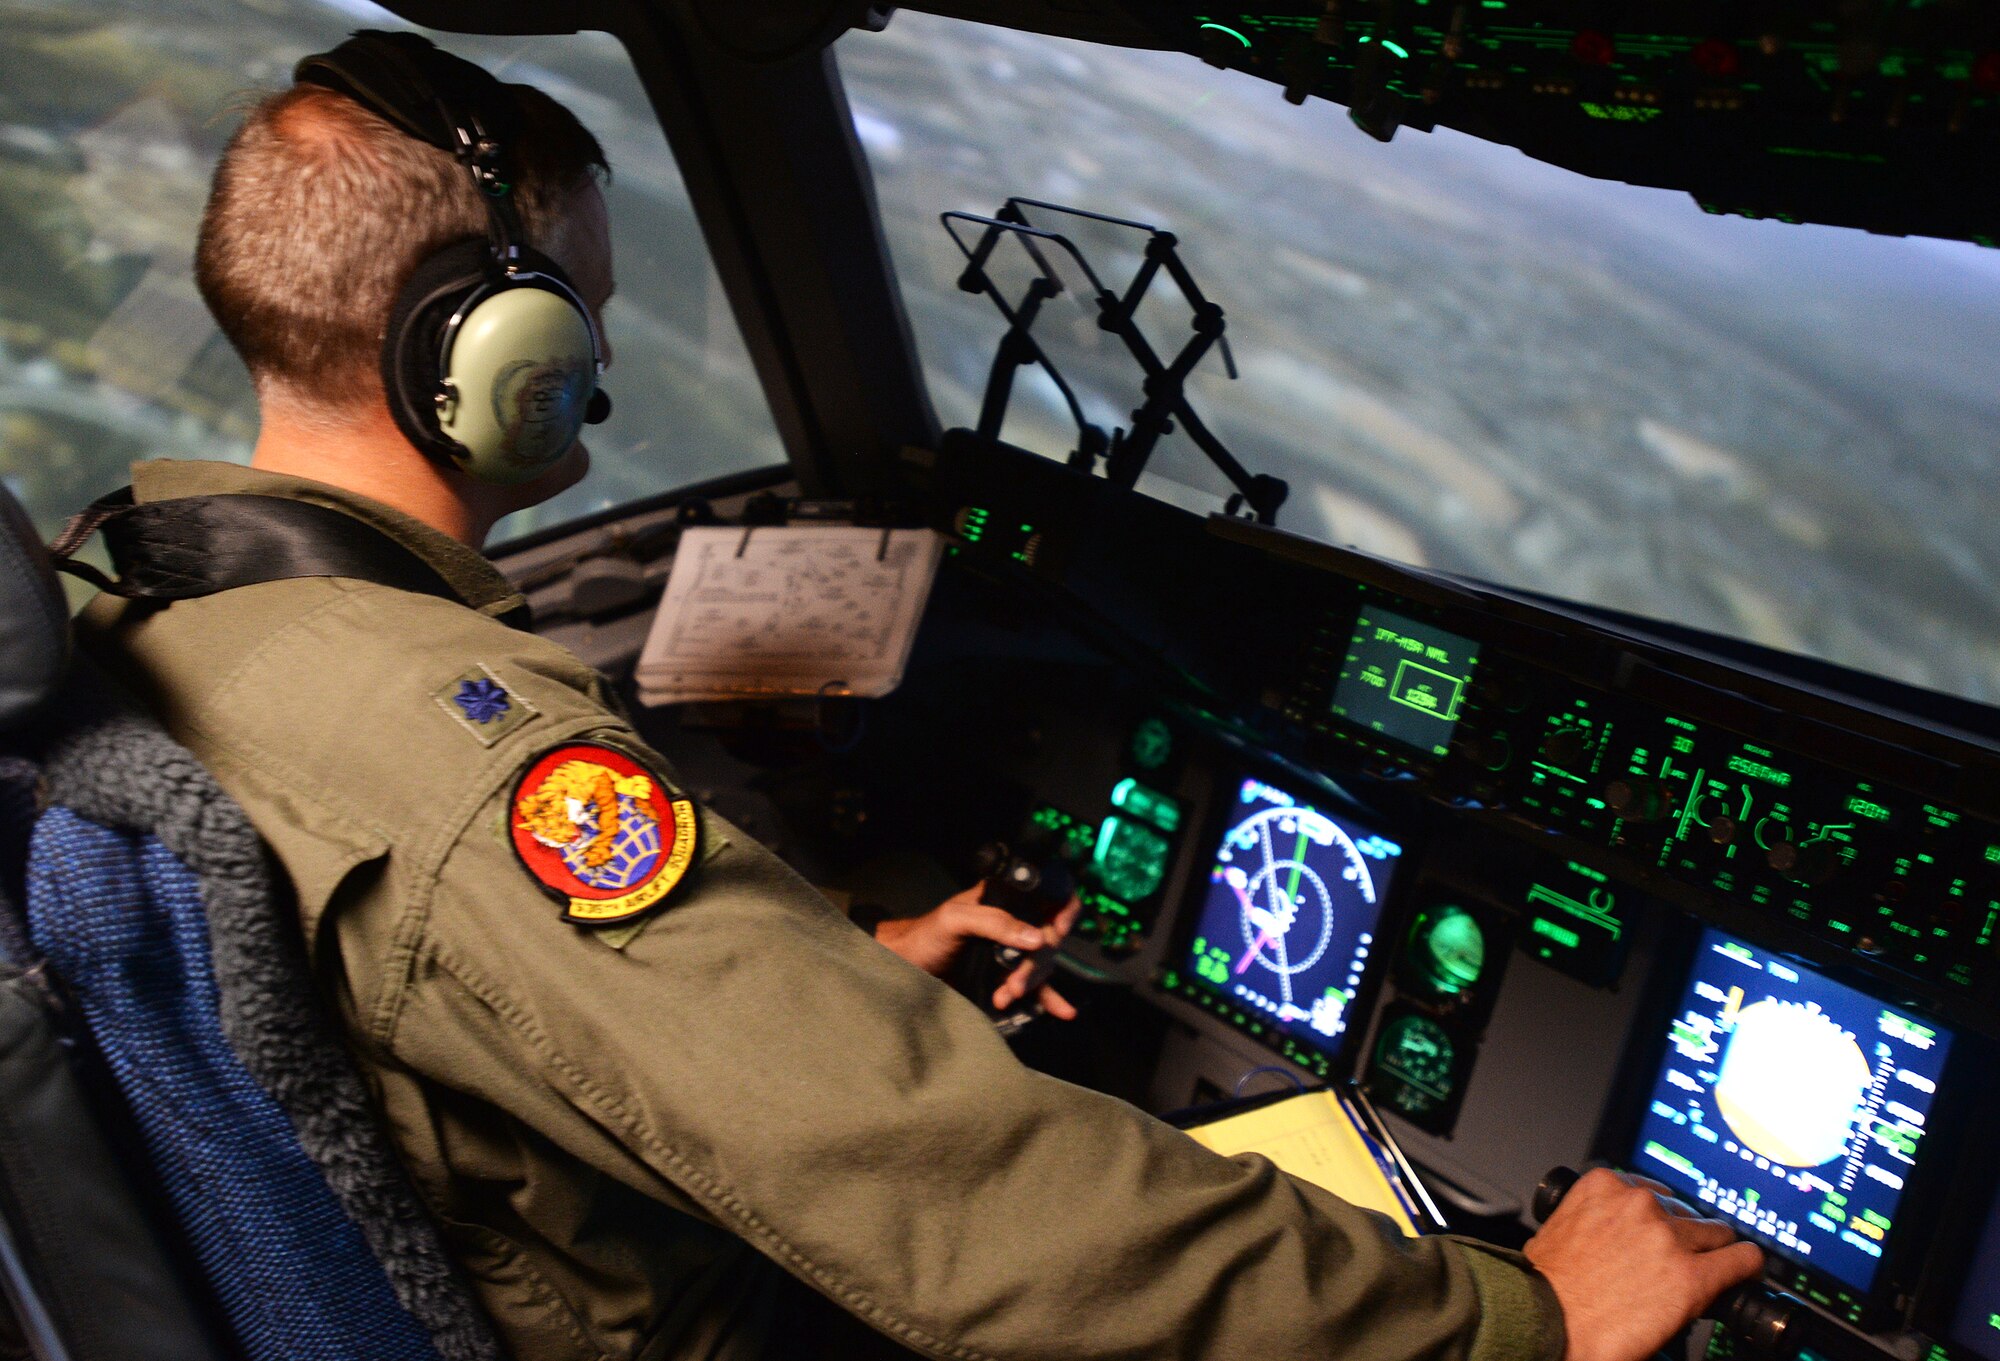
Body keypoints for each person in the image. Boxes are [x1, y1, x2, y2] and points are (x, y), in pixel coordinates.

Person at [74, 32, 1763, 1361]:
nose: (597, 364)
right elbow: (959, 1201)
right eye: (579, 316)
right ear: (491, 354)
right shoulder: (467, 764)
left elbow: (475, 1003)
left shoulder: (139, 590)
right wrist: (1515, 1315)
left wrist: (833, 978)